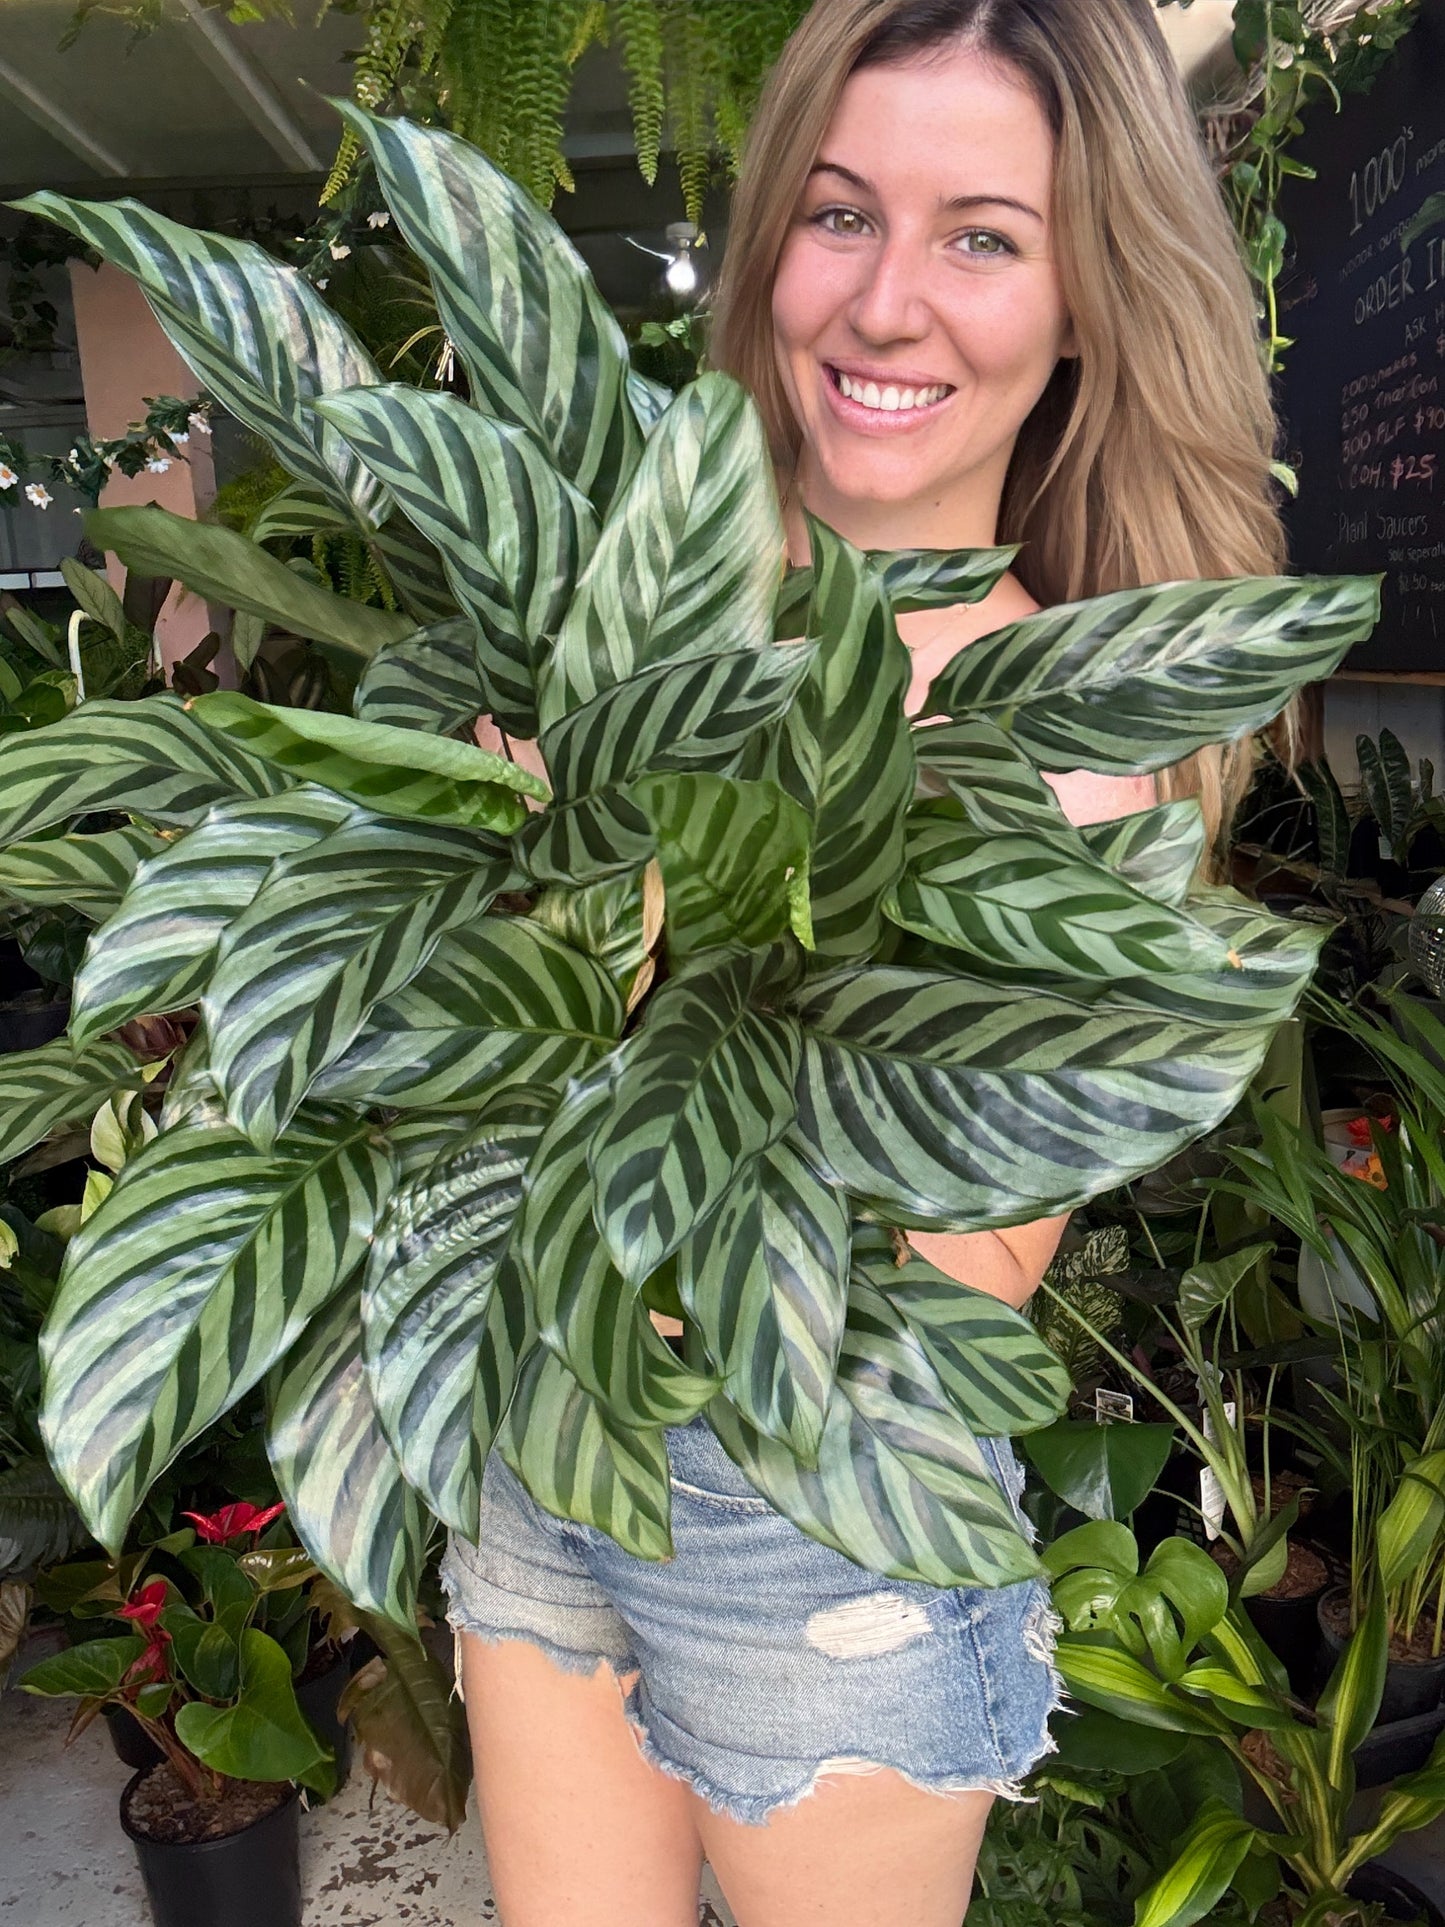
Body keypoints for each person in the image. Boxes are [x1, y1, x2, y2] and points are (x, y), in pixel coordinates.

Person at [444, 3, 1287, 1922]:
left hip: (807, 1528)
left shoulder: (1063, 755)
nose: (885, 302)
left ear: (1084, 303)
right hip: (542, 1431)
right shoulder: (616, 611)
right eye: (839, 213)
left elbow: (953, 1280)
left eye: (982, 235)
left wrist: (615, 944)